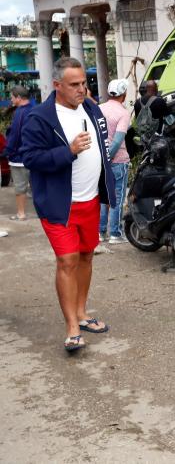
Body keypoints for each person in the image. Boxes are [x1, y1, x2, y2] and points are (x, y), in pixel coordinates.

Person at [20, 57, 116, 353]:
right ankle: (72, 327)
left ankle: (82, 313)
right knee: (67, 260)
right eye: (74, 85)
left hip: (90, 201)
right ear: (57, 85)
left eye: (84, 83)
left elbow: (101, 147)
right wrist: (69, 151)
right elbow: (30, 158)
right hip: (60, 205)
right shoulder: (40, 117)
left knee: (86, 256)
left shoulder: (90, 108)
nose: (81, 89)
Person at [98, 79, 131, 244]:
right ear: (123, 95)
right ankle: (115, 234)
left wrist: (101, 159)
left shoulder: (98, 109)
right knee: (117, 198)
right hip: (118, 161)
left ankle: (100, 232)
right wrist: (108, 157)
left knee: (103, 197)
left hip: (100, 161)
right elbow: (117, 141)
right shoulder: (123, 113)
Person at [5, 86, 34, 221]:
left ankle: (21, 213)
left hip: (19, 157)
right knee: (37, 185)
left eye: (12, 97)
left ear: (18, 97)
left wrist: (7, 151)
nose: (11, 99)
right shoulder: (35, 109)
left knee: (20, 187)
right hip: (34, 155)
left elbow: (15, 135)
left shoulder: (20, 113)